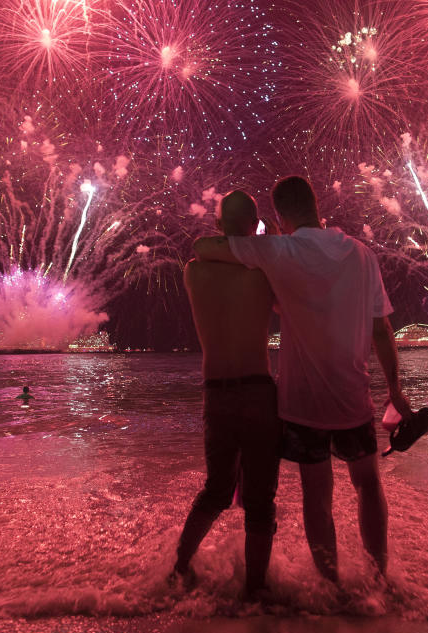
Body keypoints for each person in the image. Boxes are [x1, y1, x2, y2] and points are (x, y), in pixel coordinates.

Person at [193, 176, 412, 583]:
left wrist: (271, 240)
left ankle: (332, 585)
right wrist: (396, 390)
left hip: (304, 404)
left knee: (318, 495)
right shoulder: (362, 255)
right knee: (368, 485)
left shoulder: (282, 251)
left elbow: (206, 248)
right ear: (315, 204)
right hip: (354, 397)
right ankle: (379, 579)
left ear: (279, 215)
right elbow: (382, 331)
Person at [173, 190, 282, 598]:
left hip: (216, 394)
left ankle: (178, 569)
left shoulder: (193, 273)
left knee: (216, 491)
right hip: (258, 391)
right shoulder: (263, 272)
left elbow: (206, 249)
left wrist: (218, 239)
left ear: (218, 226)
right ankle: (255, 592)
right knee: (259, 504)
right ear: (254, 226)